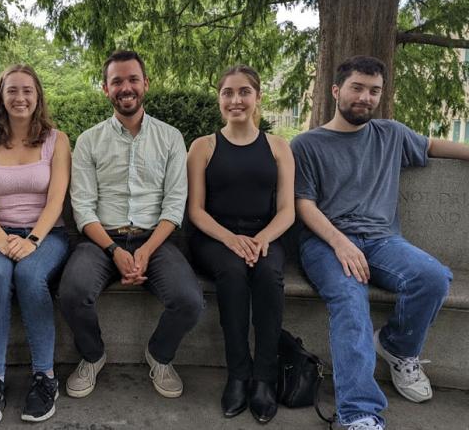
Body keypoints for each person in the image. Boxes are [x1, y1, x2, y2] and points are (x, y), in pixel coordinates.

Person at [291, 55, 467, 430]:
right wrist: (340, 243)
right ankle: (359, 413)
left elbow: (436, 146)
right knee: (351, 303)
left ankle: (398, 347)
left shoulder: (391, 134)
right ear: (336, 91)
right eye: (357, 88)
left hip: (383, 240)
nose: (366, 98)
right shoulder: (307, 144)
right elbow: (303, 203)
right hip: (325, 242)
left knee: (433, 277)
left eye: (374, 91)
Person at [59, 50, 204, 401]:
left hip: (154, 240)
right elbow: (82, 206)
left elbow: (174, 204)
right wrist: (113, 251)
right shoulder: (89, 140)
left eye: (132, 79)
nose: (126, 87)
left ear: (145, 84)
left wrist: (145, 251)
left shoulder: (170, 138)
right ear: (106, 89)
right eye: (117, 81)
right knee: (72, 293)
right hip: (100, 240)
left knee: (189, 301)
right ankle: (93, 355)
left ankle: (160, 355)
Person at [187, 65, 294, 423]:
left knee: (268, 277)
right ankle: (238, 374)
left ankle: (264, 377)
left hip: (266, 236)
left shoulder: (279, 147)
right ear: (219, 99)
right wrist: (231, 239)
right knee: (232, 274)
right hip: (215, 237)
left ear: (257, 97)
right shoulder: (203, 147)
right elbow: (196, 211)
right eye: (228, 93)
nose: (236, 100)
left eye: (244, 92)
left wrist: (261, 239)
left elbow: (287, 211)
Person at [0, 64, 70, 427]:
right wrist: (1, 240)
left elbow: (56, 200)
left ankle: (45, 377)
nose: (20, 97)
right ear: (1, 96)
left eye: (27, 90)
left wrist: (32, 241)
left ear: (38, 96)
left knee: (29, 275)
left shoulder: (56, 140)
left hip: (46, 235)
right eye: (12, 90)